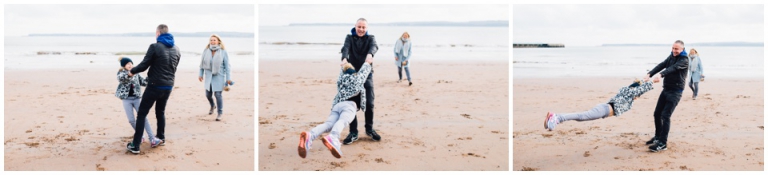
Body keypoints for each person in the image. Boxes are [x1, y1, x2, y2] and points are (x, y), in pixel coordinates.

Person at [298, 58, 373, 159]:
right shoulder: (356, 78)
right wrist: (368, 62)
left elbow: (341, 74)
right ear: (354, 72)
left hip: (337, 106)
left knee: (328, 124)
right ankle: (334, 136)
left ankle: (310, 135)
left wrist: (343, 65)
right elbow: (364, 71)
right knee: (343, 121)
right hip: (349, 105)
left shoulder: (340, 82)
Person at [126, 24, 181, 154]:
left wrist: (132, 72)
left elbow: (144, 65)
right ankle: (161, 137)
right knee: (160, 112)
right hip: (168, 85)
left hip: (155, 85)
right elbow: (173, 67)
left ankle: (135, 145)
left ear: (158, 33)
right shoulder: (177, 49)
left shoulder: (155, 46)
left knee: (142, 114)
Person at [545, 78, 659, 130]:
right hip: (604, 109)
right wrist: (652, 82)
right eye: (637, 95)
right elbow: (639, 90)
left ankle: (555, 118)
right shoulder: (629, 91)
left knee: (581, 118)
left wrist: (643, 81)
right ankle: (557, 118)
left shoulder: (627, 93)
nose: (637, 97)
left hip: (603, 110)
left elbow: (638, 88)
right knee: (581, 116)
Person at [643, 40, 689, 152]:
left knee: (665, 116)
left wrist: (661, 75)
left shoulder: (684, 60)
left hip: (675, 92)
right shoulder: (671, 56)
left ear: (682, 49)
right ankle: (658, 137)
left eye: (677, 49)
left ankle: (663, 144)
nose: (674, 50)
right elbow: (663, 65)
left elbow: (672, 69)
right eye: (673, 48)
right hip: (666, 89)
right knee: (657, 113)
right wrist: (650, 73)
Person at [340, 18, 381, 144]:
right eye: (359, 27)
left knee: (369, 103)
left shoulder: (371, 38)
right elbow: (345, 48)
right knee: (351, 105)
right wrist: (344, 58)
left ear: (366, 28)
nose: (361, 29)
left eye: (364, 27)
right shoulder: (349, 38)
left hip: (366, 74)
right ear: (355, 26)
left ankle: (369, 129)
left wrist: (370, 55)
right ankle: (353, 132)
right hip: (352, 74)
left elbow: (374, 46)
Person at [115, 57, 162, 148]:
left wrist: (150, 76)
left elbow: (144, 83)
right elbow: (121, 79)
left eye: (131, 63)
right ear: (124, 66)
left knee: (143, 118)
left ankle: (152, 138)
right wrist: (130, 74)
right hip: (126, 99)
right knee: (131, 120)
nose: (130, 65)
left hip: (137, 98)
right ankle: (139, 135)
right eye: (128, 64)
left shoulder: (136, 73)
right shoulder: (121, 73)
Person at [198, 34, 232, 121]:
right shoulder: (206, 51)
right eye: (211, 40)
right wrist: (200, 74)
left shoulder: (223, 52)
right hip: (208, 75)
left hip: (219, 76)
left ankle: (220, 113)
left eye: (214, 40)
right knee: (208, 94)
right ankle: (212, 105)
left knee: (218, 94)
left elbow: (227, 66)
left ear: (218, 41)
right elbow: (201, 64)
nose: (212, 42)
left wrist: (228, 78)